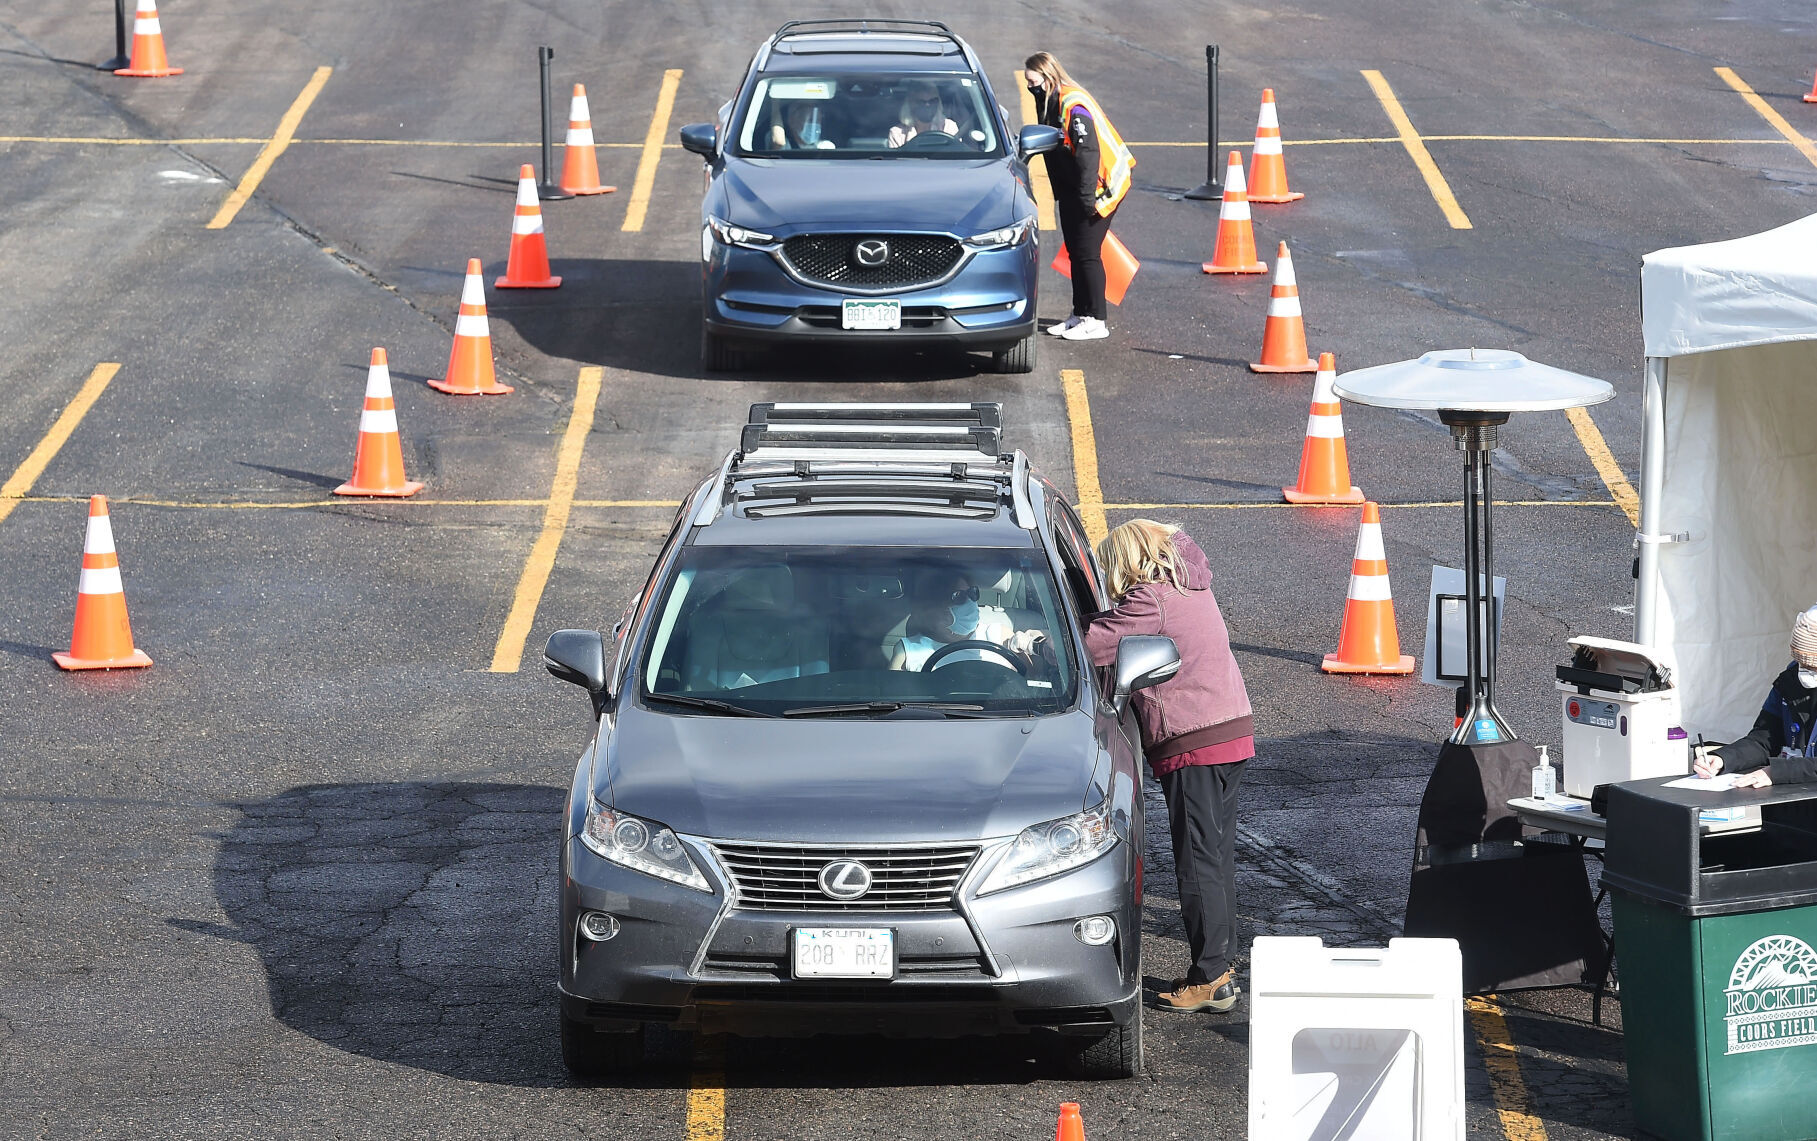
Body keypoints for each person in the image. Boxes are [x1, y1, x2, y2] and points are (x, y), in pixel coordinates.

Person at [1085, 520, 1254, 1012]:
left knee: (1197, 863)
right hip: (1230, 729)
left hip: (1192, 738)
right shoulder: (1190, 586)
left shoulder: (1149, 600)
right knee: (1215, 857)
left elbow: (1094, 644)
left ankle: (1210, 977)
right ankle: (1220, 967)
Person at [1024, 52, 1136, 342]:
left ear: (1048, 78)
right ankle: (1081, 313)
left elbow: (1088, 153)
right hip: (1076, 185)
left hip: (1100, 185)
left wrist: (1087, 199)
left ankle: (1096, 319)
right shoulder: (1051, 100)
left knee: (1088, 254)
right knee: (1075, 251)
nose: (1030, 88)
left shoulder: (1073, 104)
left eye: (1033, 83)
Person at [1696, 604, 1817, 787]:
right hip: (1796, 801)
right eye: (1801, 662)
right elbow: (1764, 739)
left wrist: (1776, 772)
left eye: (1813, 666)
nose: (1805, 671)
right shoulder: (1788, 682)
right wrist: (1723, 759)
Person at [890, 569, 1015, 671]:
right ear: (936, 606)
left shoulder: (999, 636)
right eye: (959, 596)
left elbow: (1031, 683)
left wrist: (1033, 641)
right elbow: (892, 697)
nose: (970, 601)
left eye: (972, 592)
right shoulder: (908, 651)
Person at [886, 82, 959, 149]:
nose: (928, 105)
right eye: (921, 102)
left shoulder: (949, 127)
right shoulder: (897, 133)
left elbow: (957, 157)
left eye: (932, 101)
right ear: (910, 104)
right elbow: (896, 162)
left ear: (938, 102)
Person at [770, 101, 836, 150]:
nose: (814, 125)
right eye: (810, 120)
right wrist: (775, 102)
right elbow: (778, 143)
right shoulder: (787, 147)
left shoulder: (826, 147)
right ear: (793, 122)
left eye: (818, 121)